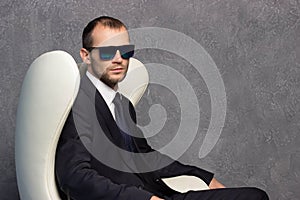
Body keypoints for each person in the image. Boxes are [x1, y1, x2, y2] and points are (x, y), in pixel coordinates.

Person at [55, 16, 269, 200]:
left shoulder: (122, 104)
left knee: (254, 196)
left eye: (126, 51)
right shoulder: (77, 103)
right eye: (108, 51)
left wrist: (201, 175)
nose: (119, 59)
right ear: (86, 55)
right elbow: (73, 177)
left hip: (158, 192)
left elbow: (146, 158)